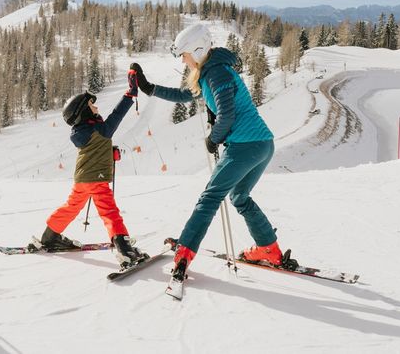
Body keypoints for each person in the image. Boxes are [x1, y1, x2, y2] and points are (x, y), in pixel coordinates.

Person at [129, 23, 281, 283]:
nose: (183, 60)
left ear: (197, 50)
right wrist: (148, 88)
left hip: (245, 146)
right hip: (262, 144)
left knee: (210, 198)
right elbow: (184, 95)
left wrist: (213, 139)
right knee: (239, 196)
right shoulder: (211, 70)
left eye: (184, 55)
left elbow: (227, 115)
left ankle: (185, 251)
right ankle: (269, 249)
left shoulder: (217, 73)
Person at [34, 83, 147, 268]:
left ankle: (49, 237)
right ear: (84, 112)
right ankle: (125, 251)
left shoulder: (83, 131)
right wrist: (129, 95)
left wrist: (108, 151)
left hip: (82, 179)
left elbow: (93, 150)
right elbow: (116, 115)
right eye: (91, 105)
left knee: (71, 207)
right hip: (96, 178)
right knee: (109, 212)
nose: (96, 107)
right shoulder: (100, 129)